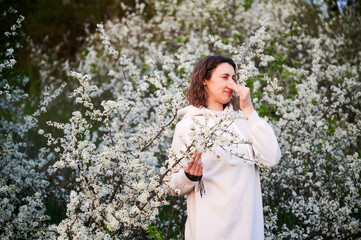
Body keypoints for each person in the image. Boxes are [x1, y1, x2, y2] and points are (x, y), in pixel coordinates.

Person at [167, 55, 281, 240]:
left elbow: (271, 158)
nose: (231, 84)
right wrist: (189, 177)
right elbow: (172, 186)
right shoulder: (188, 125)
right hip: (208, 230)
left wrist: (249, 110)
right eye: (224, 77)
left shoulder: (245, 122)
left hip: (247, 231)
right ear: (205, 80)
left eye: (234, 78)